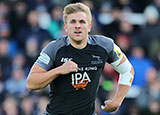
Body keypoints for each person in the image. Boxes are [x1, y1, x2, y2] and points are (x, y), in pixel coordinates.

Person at [26, 2, 134, 115]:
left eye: (82, 22)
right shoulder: (54, 48)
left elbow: (128, 71)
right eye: (73, 22)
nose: (77, 26)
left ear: (89, 26)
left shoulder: (105, 46)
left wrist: (117, 101)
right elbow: (31, 84)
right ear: (65, 27)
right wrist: (58, 70)